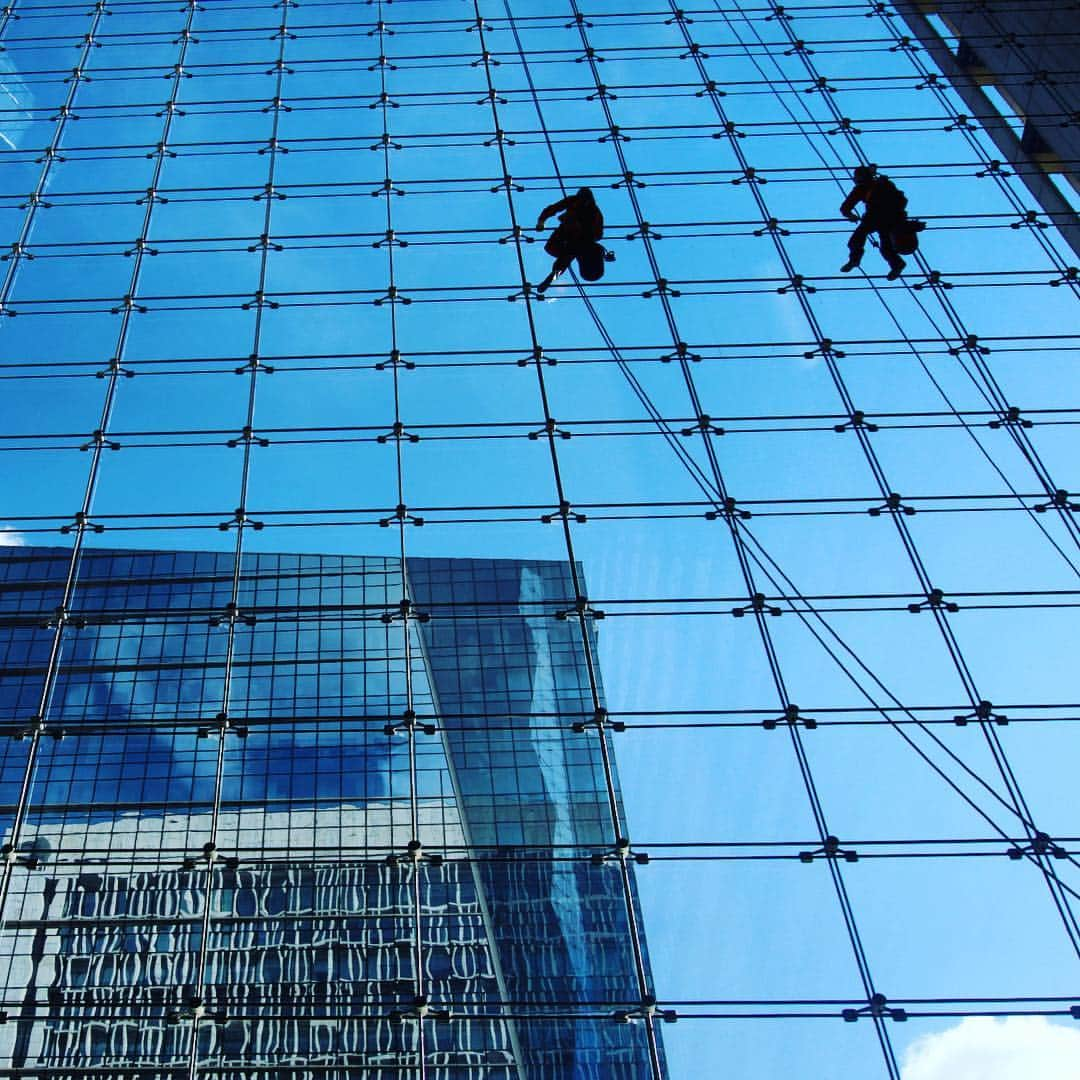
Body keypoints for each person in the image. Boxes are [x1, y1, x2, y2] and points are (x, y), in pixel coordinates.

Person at [839, 164, 909, 280]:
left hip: (876, 218)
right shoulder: (884, 183)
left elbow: (846, 207)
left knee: (857, 240)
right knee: (885, 246)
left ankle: (855, 260)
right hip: (890, 218)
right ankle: (897, 264)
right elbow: (902, 201)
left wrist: (850, 215)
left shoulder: (863, 188)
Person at [535, 187, 604, 292]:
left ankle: (556, 272)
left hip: (568, 234)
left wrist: (541, 221)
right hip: (579, 239)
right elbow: (598, 234)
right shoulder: (595, 211)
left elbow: (553, 208)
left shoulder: (574, 201)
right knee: (569, 252)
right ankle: (556, 272)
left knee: (567, 252)